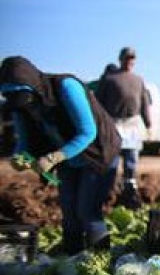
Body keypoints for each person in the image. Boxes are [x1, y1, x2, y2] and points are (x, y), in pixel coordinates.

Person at [0, 56, 121, 254]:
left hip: (97, 153)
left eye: (24, 97)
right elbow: (24, 140)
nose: (26, 106)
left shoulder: (66, 87)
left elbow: (87, 132)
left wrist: (53, 157)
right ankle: (72, 259)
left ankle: (101, 261)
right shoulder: (20, 107)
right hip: (67, 158)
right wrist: (18, 157)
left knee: (87, 211)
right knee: (69, 213)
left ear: (32, 87)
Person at [95, 47, 152, 208]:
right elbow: (99, 104)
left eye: (132, 59)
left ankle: (129, 192)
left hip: (132, 125)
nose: (129, 62)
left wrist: (148, 124)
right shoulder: (109, 79)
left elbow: (144, 104)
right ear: (120, 60)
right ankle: (107, 192)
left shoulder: (138, 80)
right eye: (127, 59)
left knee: (131, 161)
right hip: (114, 125)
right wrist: (100, 125)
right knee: (112, 161)